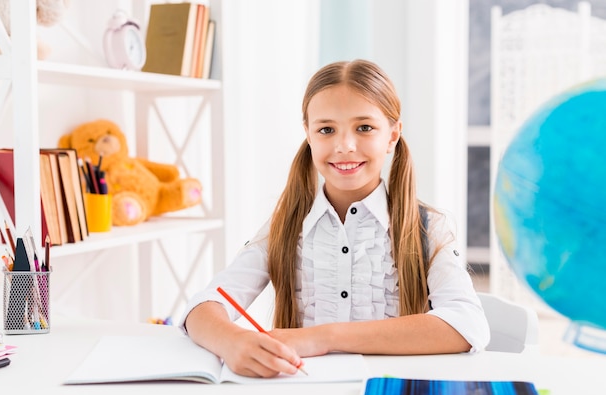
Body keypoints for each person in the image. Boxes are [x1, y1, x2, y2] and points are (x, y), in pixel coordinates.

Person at [182, 59, 490, 378]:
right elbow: (203, 309)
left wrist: (323, 337)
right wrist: (233, 341)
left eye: (364, 128)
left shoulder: (427, 226)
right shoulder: (285, 225)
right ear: (309, 134)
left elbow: (467, 325)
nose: (344, 146)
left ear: (392, 135)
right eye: (326, 129)